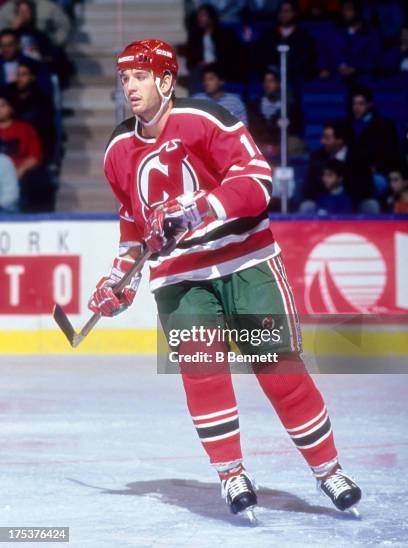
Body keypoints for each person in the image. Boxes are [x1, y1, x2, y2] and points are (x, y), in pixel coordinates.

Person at [87, 38, 362, 518]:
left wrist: (198, 209)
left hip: (246, 262)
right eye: (125, 77)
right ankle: (232, 475)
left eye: (140, 75)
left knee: (280, 370)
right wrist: (120, 280)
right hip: (178, 278)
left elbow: (257, 182)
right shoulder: (117, 151)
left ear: (166, 80)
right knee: (203, 374)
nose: (129, 85)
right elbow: (134, 225)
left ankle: (328, 469)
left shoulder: (205, 119)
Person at [301, 120, 376, 211]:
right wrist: (328, 185)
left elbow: (367, 188)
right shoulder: (317, 156)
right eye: (323, 137)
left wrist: (340, 186)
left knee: (371, 205)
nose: (322, 141)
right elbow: (309, 187)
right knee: (307, 206)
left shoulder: (358, 157)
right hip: (323, 201)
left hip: (352, 201)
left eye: (327, 138)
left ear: (340, 140)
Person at [0, 89, 53, 211]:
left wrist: (20, 170)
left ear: (11, 108)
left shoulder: (25, 129)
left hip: (20, 172)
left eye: (2, 105)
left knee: (35, 180)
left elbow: (35, 156)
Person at [349, 87, 403, 195]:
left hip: (378, 172)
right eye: (354, 104)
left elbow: (392, 154)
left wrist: (375, 168)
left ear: (370, 105)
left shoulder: (385, 126)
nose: (357, 107)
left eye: (361, 104)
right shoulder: (347, 125)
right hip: (353, 172)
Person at [185, 4, 245, 92]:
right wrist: (200, 64)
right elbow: (190, 62)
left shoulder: (224, 35)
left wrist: (214, 63)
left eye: (203, 15)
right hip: (203, 69)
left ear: (211, 17)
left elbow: (231, 57)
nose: (200, 18)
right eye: (199, 15)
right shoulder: (195, 38)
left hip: (221, 67)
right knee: (195, 74)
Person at [253, 0, 316, 81]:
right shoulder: (268, 35)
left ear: (295, 13)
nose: (284, 14)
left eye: (287, 11)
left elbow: (306, 60)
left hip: (296, 79)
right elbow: (261, 57)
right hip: (272, 77)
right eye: (281, 11)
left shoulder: (303, 37)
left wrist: (289, 70)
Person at [7, 60, 56, 163]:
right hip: (7, 142)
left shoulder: (42, 99)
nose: (19, 78)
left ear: (32, 77)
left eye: (24, 75)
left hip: (31, 146)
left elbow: (48, 132)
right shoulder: (6, 92)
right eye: (18, 74)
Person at [0, 0, 71, 47]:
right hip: (15, 52)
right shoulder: (5, 10)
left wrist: (53, 44)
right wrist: (11, 29)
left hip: (44, 49)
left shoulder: (48, 7)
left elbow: (64, 26)